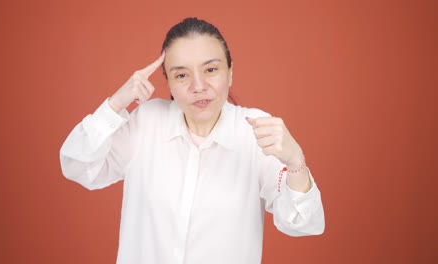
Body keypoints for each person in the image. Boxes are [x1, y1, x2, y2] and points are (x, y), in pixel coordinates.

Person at [60, 17, 324, 264]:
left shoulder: (254, 131)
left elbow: (302, 222)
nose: (198, 86)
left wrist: (295, 161)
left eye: (210, 69)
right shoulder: (147, 122)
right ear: (169, 84)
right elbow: (77, 166)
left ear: (230, 73)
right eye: (182, 75)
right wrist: (116, 103)